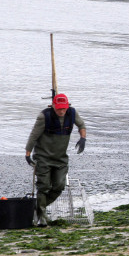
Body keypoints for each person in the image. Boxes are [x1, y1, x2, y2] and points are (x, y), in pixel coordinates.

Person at [25, 94, 87, 226]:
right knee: (44, 187)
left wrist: (83, 139)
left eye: (64, 108)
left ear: (67, 106)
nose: (61, 111)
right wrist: (27, 153)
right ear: (53, 106)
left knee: (59, 186)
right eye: (59, 108)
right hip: (43, 158)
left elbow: (81, 125)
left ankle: (36, 209)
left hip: (60, 159)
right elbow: (33, 135)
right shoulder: (44, 117)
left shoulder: (72, 113)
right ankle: (42, 218)